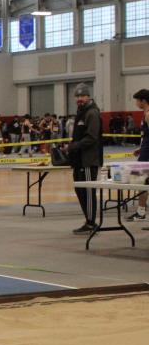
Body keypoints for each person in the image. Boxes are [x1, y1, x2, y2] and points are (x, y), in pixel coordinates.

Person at [68, 83, 103, 234]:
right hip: (79, 160)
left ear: (88, 96)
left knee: (88, 192)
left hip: (89, 160)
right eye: (77, 96)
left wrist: (74, 146)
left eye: (82, 96)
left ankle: (91, 223)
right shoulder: (81, 112)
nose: (79, 99)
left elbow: (92, 137)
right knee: (79, 189)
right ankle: (88, 220)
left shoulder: (92, 113)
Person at [125, 88, 149, 223]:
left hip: (147, 155)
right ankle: (141, 212)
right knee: (141, 182)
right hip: (145, 151)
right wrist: (141, 148)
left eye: (137, 101)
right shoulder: (145, 114)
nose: (136, 103)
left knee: (140, 181)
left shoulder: (148, 114)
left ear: (143, 101)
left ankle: (141, 212)